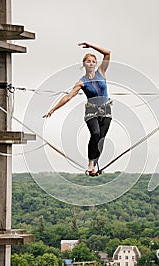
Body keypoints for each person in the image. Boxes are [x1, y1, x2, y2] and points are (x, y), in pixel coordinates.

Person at [43, 42, 112, 176]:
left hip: (106, 110)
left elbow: (107, 53)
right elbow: (68, 97)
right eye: (88, 61)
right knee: (96, 134)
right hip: (91, 111)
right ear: (84, 64)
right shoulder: (81, 82)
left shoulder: (101, 73)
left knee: (101, 138)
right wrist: (53, 109)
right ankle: (91, 163)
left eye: (93, 61)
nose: (91, 63)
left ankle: (95, 164)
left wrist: (91, 46)